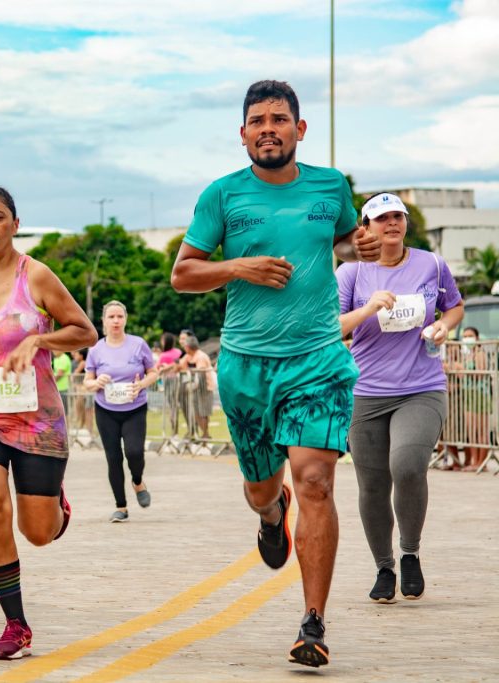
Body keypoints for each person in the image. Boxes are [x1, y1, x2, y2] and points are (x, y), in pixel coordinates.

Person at [171, 80, 381, 668]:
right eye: (258, 120)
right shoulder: (222, 196)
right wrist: (238, 266)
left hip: (317, 357)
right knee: (265, 488)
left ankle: (312, 622)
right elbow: (182, 275)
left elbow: (341, 239)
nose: (269, 128)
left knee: (315, 481)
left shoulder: (330, 185)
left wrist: (356, 246)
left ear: (299, 129)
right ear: (242, 135)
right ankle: (270, 513)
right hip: (245, 366)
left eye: (280, 118)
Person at [0, 185, 96, 659]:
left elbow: (84, 330)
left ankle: (56, 507)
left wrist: (41, 342)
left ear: (14, 223)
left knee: (38, 533)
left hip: (36, 419)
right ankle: (16, 625)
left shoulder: (38, 277)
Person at [337, 192, 464, 604]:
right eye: (381, 217)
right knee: (372, 485)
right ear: (365, 226)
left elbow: (455, 307)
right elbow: (330, 328)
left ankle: (410, 552)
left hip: (421, 388)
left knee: (407, 465)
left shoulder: (431, 263)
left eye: (398, 216)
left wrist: (445, 326)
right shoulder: (351, 272)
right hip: (365, 393)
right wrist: (368, 309)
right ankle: (384, 567)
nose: (391, 223)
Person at [83, 301, 159, 522]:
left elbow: (153, 372)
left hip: (134, 407)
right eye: (111, 317)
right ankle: (121, 507)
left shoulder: (138, 345)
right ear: (104, 321)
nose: (116, 321)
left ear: (125, 319)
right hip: (106, 410)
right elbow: (87, 382)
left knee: (134, 452)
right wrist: (97, 381)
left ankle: (137, 481)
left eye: (119, 316)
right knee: (113, 458)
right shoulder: (96, 349)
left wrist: (142, 384)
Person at [453, 326, 490, 471]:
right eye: (465, 336)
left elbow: (480, 372)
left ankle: (482, 463)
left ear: (477, 337)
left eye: (470, 335)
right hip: (468, 393)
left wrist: (462, 369)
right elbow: (461, 375)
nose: (467, 338)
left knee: (481, 430)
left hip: (480, 394)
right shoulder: (467, 355)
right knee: (471, 431)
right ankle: (475, 462)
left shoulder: (480, 353)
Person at [177, 335, 215, 440]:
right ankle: (202, 434)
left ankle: (206, 434)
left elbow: (200, 373)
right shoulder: (189, 356)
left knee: (203, 412)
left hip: (205, 388)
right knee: (197, 412)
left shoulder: (200, 356)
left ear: (188, 347)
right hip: (195, 388)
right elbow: (180, 366)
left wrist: (192, 385)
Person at [52, 349, 72, 414]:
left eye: (55, 349)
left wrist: (48, 382)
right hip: (56, 389)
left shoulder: (65, 358)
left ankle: (67, 423)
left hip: (64, 388)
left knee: (64, 411)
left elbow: (59, 374)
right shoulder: (55, 359)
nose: (53, 351)